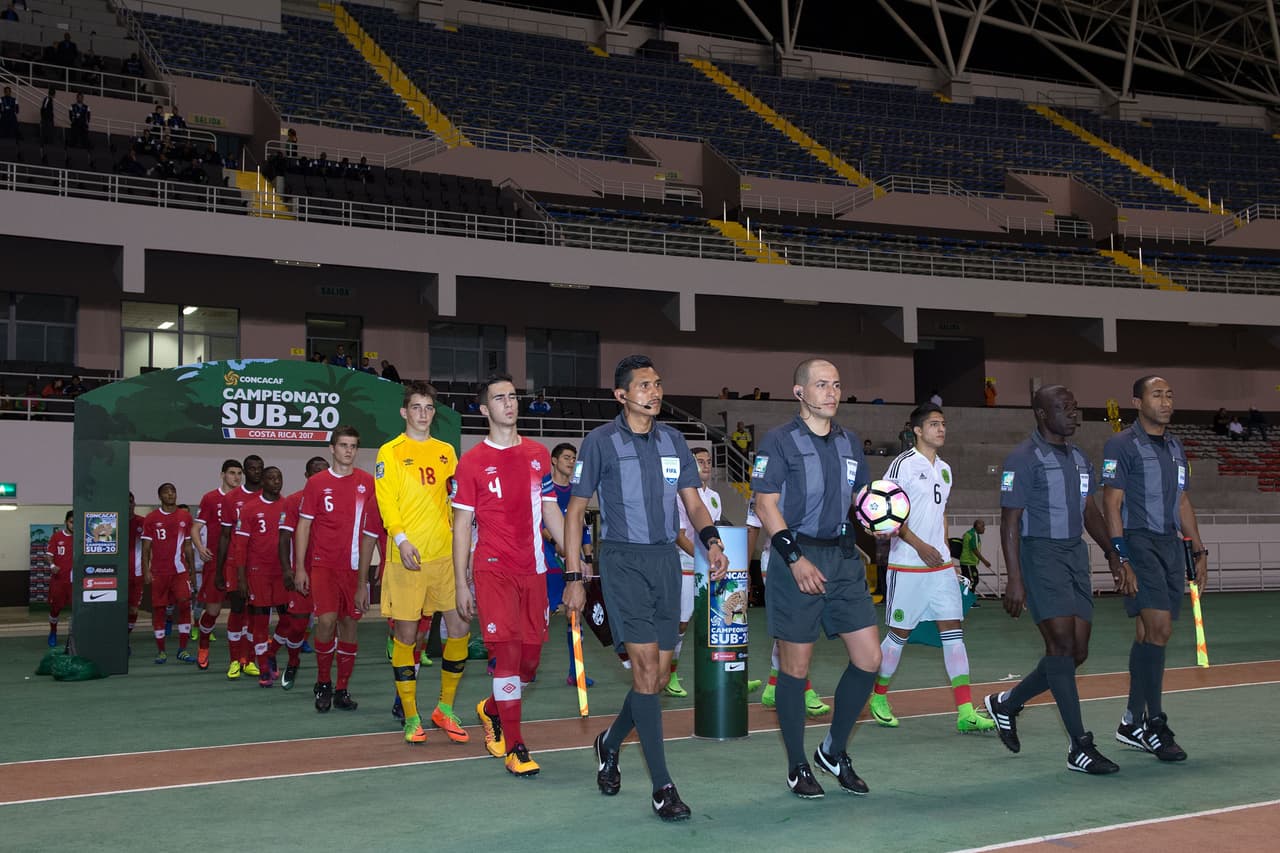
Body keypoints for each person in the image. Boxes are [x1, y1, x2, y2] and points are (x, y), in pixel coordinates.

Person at [564, 354, 727, 821]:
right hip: (623, 563)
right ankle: (663, 788)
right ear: (621, 395)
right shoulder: (600, 442)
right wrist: (575, 577)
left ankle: (609, 742)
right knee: (644, 671)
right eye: (643, 386)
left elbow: (693, 503)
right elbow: (575, 512)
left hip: (665, 563)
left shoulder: (674, 441)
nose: (654, 392)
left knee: (654, 679)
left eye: (657, 384)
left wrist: (711, 541)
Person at [984, 384, 1128, 776]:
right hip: (1040, 554)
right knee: (1061, 646)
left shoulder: (1080, 458)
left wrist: (1112, 553)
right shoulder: (1022, 458)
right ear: (1042, 414)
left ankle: (1007, 703)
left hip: (1074, 555)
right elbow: (1010, 521)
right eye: (1064, 408)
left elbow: (1089, 511)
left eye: (1075, 406)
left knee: (1077, 651)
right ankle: (1080, 745)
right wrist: (1014, 577)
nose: (1073, 413)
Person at [751, 358, 878, 799]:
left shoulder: (849, 442)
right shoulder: (779, 440)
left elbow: (862, 499)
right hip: (796, 557)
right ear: (799, 392)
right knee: (795, 667)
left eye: (837, 385)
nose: (831, 392)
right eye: (822, 384)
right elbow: (765, 505)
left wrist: (881, 517)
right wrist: (795, 559)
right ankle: (797, 764)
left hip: (842, 558)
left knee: (870, 658)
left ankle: (833, 750)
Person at [454, 374, 569, 776]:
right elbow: (461, 526)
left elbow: (550, 510)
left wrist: (573, 557)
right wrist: (460, 582)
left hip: (534, 571)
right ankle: (516, 747)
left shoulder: (538, 454)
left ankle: (491, 708)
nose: (509, 403)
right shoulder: (471, 462)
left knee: (530, 663)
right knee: (507, 654)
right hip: (493, 570)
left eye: (513, 396)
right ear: (485, 409)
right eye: (500, 398)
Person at [868, 404, 994, 733]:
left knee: (953, 634)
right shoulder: (903, 465)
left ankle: (965, 712)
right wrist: (920, 546)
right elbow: (887, 512)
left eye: (943, 424)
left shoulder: (946, 469)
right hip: (908, 565)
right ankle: (878, 696)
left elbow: (942, 514)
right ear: (917, 430)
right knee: (898, 635)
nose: (941, 429)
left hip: (939, 569)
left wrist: (946, 555)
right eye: (934, 424)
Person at [1103, 375, 1206, 763]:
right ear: (1137, 402)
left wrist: (1199, 548)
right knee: (1160, 628)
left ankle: (1131, 722)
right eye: (1157, 395)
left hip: (1168, 544)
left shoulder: (1176, 447)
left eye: (1169, 395)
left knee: (1148, 632)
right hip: (1138, 541)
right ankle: (1154, 723)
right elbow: (1111, 504)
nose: (1165, 402)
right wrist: (1121, 556)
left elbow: (1182, 501)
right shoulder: (1121, 445)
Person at [374, 381, 470, 743]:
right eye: (416, 407)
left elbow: (456, 502)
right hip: (407, 558)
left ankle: (444, 708)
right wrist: (400, 539)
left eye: (429, 408)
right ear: (404, 412)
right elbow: (386, 501)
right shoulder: (390, 452)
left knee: (460, 628)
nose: (423, 414)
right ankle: (411, 716)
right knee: (407, 636)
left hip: (444, 557)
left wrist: (465, 550)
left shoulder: (446, 451)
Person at [294, 426, 380, 714]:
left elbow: (376, 527)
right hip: (324, 566)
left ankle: (342, 687)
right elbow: (303, 525)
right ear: (332, 448)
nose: (348, 451)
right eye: (343, 445)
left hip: (355, 568)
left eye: (353, 446)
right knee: (326, 621)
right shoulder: (317, 483)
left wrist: (381, 562)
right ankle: (323, 682)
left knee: (349, 624)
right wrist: (300, 568)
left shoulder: (367, 482)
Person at [746, 492, 828, 714]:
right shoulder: (765, 486)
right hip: (776, 559)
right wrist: (744, 569)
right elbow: (753, 526)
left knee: (794, 627)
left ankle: (773, 686)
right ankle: (804, 689)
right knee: (794, 627)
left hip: (810, 557)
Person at [666, 446, 721, 698]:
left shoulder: (715, 497)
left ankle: (720, 674)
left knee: (715, 622)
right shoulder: (680, 495)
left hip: (709, 566)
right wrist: (701, 559)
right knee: (681, 622)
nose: (706, 465)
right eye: (700, 461)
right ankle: (670, 674)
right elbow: (679, 536)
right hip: (686, 565)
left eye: (709, 461)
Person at [542, 442, 594, 685]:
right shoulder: (545, 489)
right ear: (554, 460)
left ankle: (576, 672)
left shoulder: (576, 492)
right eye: (566, 457)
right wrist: (557, 543)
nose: (571, 462)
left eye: (574, 458)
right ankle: (519, 665)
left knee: (574, 613)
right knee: (539, 616)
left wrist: (588, 559)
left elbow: (583, 529)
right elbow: (540, 523)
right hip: (548, 559)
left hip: (572, 561)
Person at [277, 455, 330, 689]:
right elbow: (284, 537)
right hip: (303, 571)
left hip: (329, 570)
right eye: (316, 472)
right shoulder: (293, 501)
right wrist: (289, 569)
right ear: (307, 476)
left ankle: (326, 678)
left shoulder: (336, 497)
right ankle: (293, 661)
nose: (320, 476)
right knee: (298, 625)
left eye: (324, 471)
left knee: (330, 624)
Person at [234, 465, 288, 686]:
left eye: (279, 478)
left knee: (291, 619)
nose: (276, 482)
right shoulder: (249, 508)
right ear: (263, 482)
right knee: (260, 621)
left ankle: (271, 652)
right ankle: (264, 668)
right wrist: (241, 578)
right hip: (258, 572)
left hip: (283, 571)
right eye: (271, 478)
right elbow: (240, 546)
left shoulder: (288, 505)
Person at [214, 455, 264, 678]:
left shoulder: (269, 496)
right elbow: (225, 535)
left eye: (259, 468)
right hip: (235, 564)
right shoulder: (231, 498)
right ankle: (234, 660)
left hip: (260, 566)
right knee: (236, 609)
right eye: (251, 468)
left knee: (255, 613)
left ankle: (249, 660)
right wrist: (219, 570)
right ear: (245, 471)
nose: (256, 471)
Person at [191, 459, 242, 668]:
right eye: (232, 473)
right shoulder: (210, 498)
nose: (236, 477)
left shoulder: (245, 498)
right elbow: (195, 529)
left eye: (239, 473)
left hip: (239, 563)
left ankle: (242, 657)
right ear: (222, 475)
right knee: (213, 611)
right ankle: (203, 646)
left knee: (241, 610)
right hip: (217, 563)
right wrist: (200, 548)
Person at [141, 482, 196, 664]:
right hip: (159, 572)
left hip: (180, 571)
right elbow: (146, 548)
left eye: (173, 491)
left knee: (184, 604)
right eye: (166, 492)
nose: (170, 494)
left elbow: (188, 545)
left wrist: (191, 571)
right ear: (160, 496)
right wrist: (146, 570)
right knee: (159, 609)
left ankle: (183, 649)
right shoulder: (151, 518)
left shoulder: (185, 516)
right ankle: (161, 651)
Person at [45, 512, 74, 647]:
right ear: (66, 522)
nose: (74, 525)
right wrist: (52, 565)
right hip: (59, 580)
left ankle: (75, 635)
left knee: (79, 609)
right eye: (71, 522)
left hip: (76, 582)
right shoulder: (57, 536)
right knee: (55, 609)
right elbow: (49, 555)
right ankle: (53, 631)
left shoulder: (82, 537)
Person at [126, 492, 145, 639]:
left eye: (131, 501)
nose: (128, 504)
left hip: (138, 573)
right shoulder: (112, 523)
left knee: (133, 609)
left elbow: (150, 547)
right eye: (125, 501)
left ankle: (126, 636)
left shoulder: (143, 522)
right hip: (117, 574)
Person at [958, 519, 991, 596]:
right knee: (972, 581)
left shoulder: (970, 534)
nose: (984, 528)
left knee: (968, 581)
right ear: (978, 526)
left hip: (968, 563)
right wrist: (985, 561)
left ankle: (964, 598)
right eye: (983, 526)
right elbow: (975, 550)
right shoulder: (973, 535)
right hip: (968, 563)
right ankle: (968, 599)